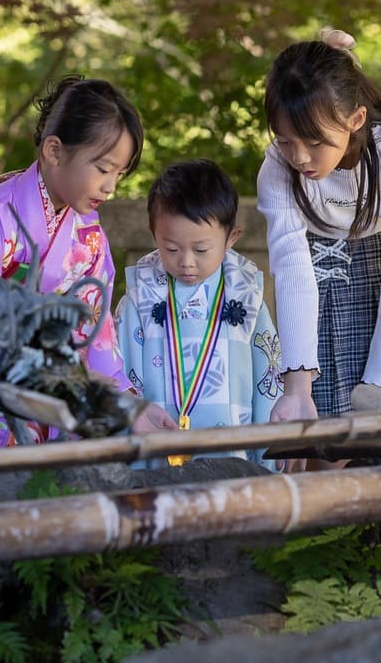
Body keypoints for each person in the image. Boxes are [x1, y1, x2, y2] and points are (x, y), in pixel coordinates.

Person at [0, 76, 176, 453]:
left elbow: (94, 335)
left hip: (32, 387)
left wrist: (126, 404)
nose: (111, 187)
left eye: (119, 174)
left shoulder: (88, 237)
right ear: (54, 151)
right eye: (103, 169)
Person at [258, 28, 381, 443]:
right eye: (286, 141)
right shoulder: (277, 168)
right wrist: (297, 388)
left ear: (355, 120)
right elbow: (292, 270)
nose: (300, 157)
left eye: (315, 141)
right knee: (326, 436)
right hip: (320, 265)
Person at [116, 159, 283, 469]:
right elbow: (120, 375)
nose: (187, 262)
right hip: (154, 456)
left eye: (201, 250)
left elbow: (268, 382)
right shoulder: (138, 299)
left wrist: (269, 462)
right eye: (172, 248)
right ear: (154, 234)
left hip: (232, 458)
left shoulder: (248, 298)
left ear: (231, 238)